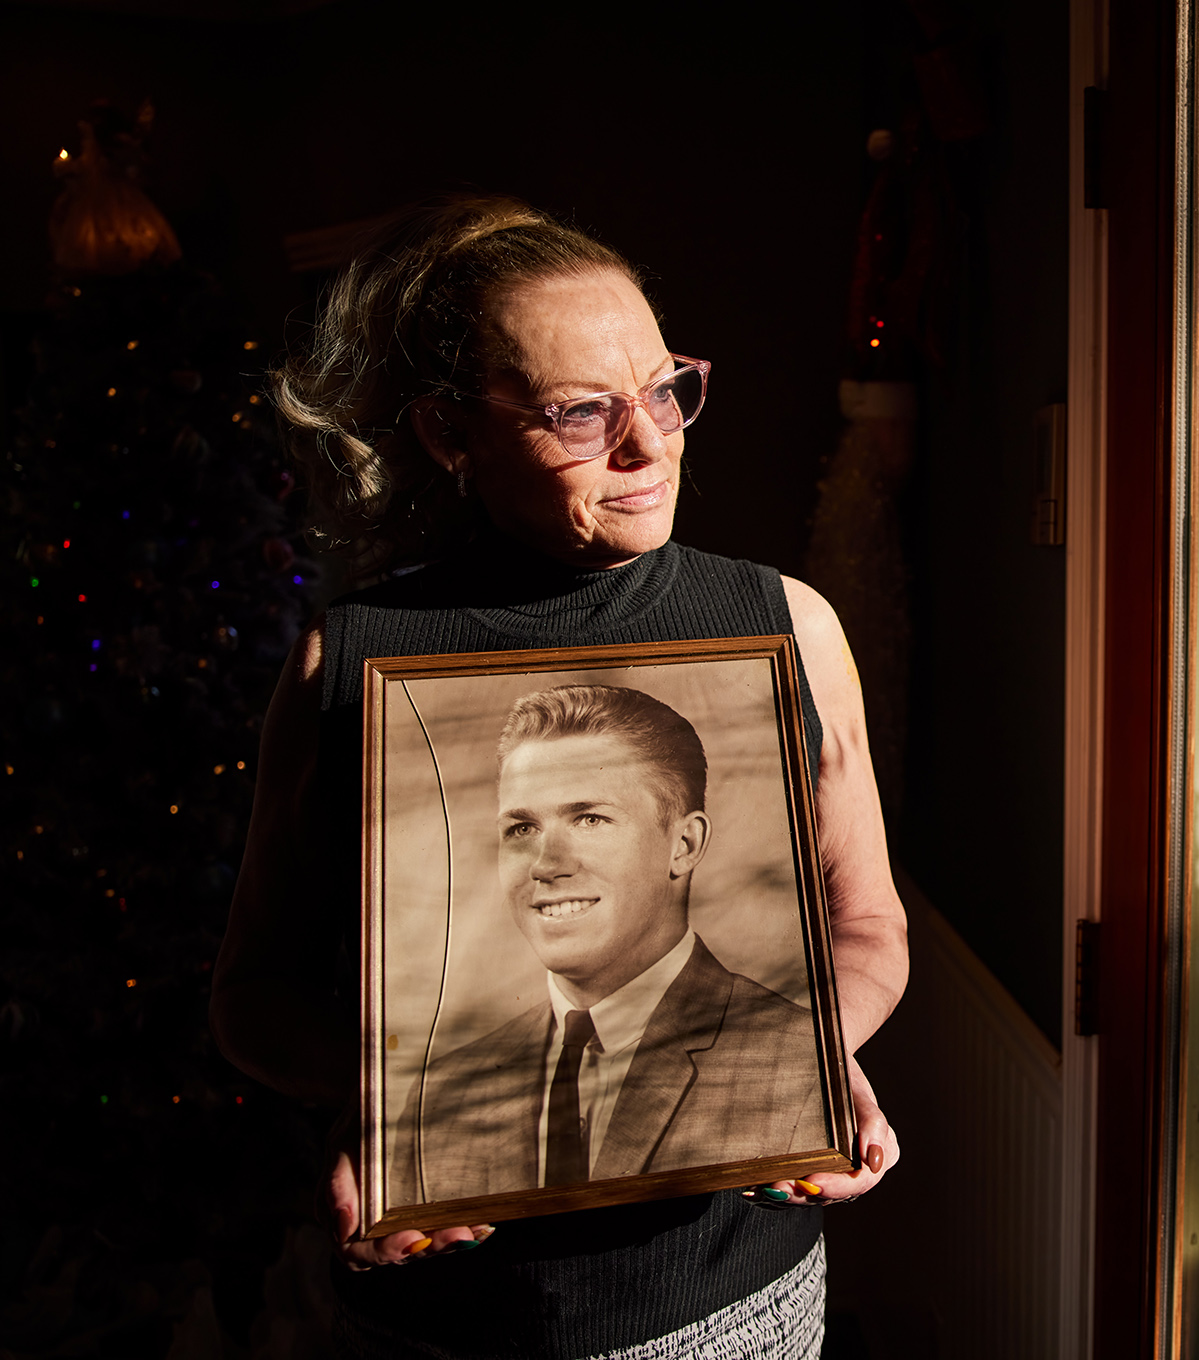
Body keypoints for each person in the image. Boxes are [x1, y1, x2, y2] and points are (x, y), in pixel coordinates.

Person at [211, 195, 906, 1360]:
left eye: (665, 390)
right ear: (450, 433)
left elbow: (868, 923)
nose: (649, 444)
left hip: (728, 1309)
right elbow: (252, 996)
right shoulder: (354, 659)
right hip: (443, 1326)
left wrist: (805, 1055)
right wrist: (393, 1098)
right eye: (581, 412)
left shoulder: (788, 624)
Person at [392, 684, 825, 1206]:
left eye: (589, 819)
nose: (545, 864)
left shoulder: (796, 1064)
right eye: (522, 828)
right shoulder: (442, 1096)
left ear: (684, 844)